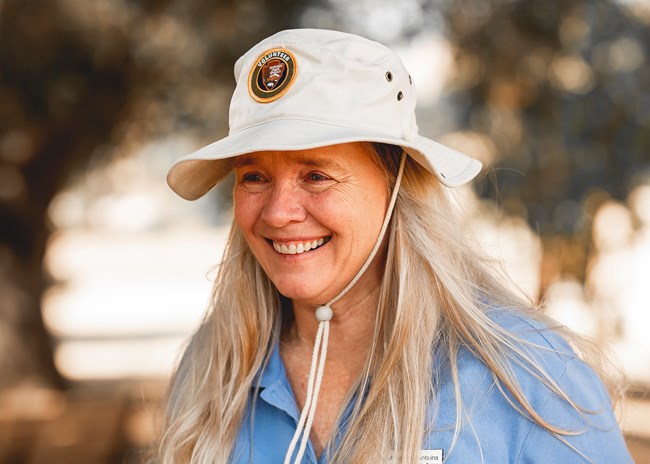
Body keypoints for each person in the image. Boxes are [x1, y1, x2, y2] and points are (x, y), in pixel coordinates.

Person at [158, 29, 632, 463]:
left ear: (398, 186)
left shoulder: (528, 378)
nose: (279, 212)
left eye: (316, 175)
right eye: (254, 176)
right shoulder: (211, 373)